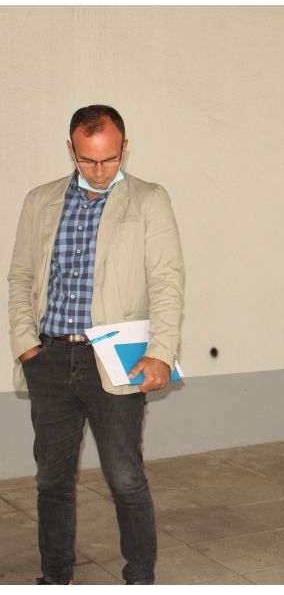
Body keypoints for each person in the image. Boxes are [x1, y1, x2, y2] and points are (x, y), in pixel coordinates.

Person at [7, 104, 184, 585]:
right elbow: (20, 277)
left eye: (110, 159)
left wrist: (161, 351)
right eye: (88, 160)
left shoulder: (148, 200)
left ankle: (140, 578)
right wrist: (26, 345)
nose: (100, 171)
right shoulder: (40, 201)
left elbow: (167, 280)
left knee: (125, 478)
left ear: (125, 148)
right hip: (49, 357)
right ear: (71, 150)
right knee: (52, 479)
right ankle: (55, 576)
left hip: (115, 358)